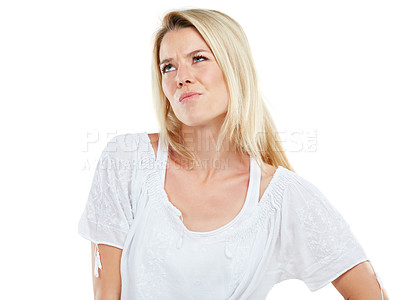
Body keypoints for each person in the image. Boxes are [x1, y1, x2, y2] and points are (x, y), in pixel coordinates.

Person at [78, 8, 389, 300]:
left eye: (198, 58)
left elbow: (369, 291)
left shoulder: (282, 198)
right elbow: (106, 294)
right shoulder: (127, 161)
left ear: (233, 67)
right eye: (168, 66)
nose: (180, 77)